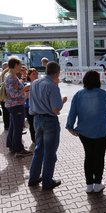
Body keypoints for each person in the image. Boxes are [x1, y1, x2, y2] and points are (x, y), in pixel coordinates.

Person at [66, 71, 106, 193]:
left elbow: (72, 113)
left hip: (84, 131)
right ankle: (98, 183)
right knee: (99, 157)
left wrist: (70, 127)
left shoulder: (78, 94)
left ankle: (89, 185)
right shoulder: (103, 93)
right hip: (102, 131)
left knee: (89, 156)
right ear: (98, 81)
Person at [28, 62, 67, 190]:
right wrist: (63, 101)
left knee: (38, 149)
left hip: (36, 119)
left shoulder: (34, 83)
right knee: (50, 153)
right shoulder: (52, 86)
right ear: (57, 72)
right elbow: (56, 109)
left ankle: (33, 178)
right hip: (49, 120)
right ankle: (47, 181)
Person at [4, 57, 31, 157]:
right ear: (15, 65)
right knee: (18, 128)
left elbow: (16, 87)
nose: (21, 67)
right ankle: (19, 149)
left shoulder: (12, 76)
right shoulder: (11, 78)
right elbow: (13, 94)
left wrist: (23, 77)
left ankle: (12, 146)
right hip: (16, 106)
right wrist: (25, 89)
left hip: (14, 106)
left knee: (13, 127)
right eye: (20, 65)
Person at [24, 68, 39, 150]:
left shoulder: (40, 83)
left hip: (38, 108)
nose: (36, 75)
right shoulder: (27, 84)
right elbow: (26, 96)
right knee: (32, 125)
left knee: (38, 124)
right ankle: (34, 140)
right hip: (29, 107)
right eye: (33, 74)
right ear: (29, 76)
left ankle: (39, 139)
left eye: (36, 74)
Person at [0, 62, 10, 130]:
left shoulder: (3, 74)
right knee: (7, 112)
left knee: (5, 112)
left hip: (3, 96)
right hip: (4, 96)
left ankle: (7, 126)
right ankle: (7, 126)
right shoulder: (4, 74)